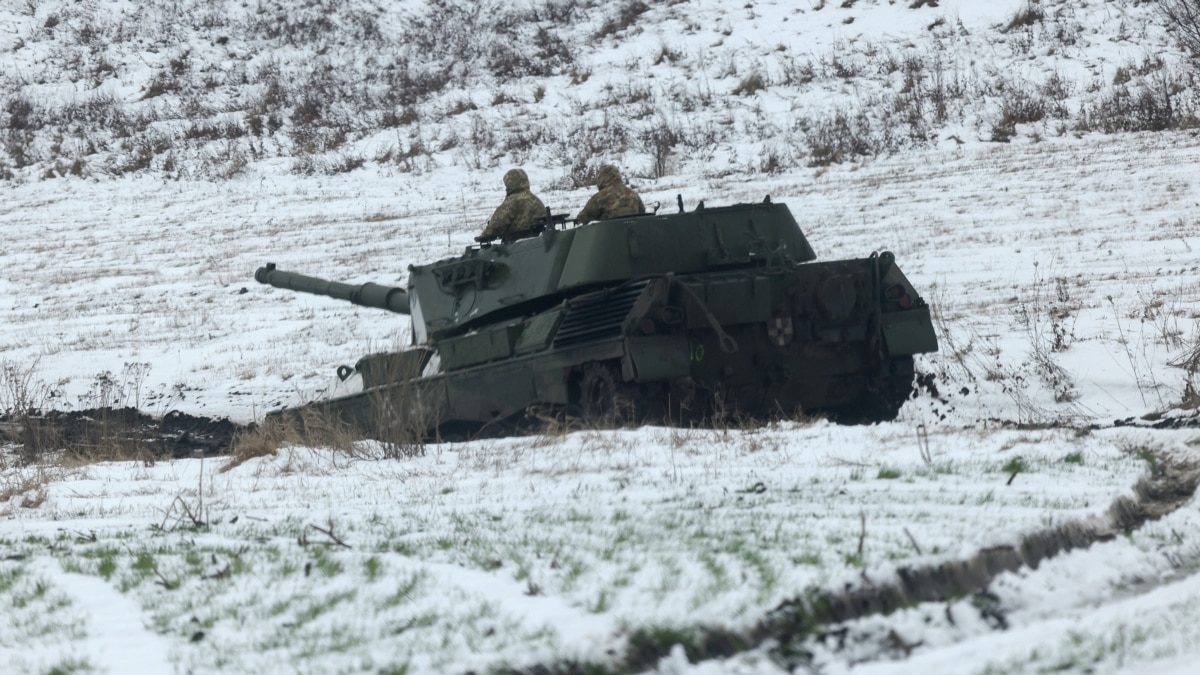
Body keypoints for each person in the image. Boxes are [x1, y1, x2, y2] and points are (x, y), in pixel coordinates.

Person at [478, 168, 546, 243]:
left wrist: (486, 235)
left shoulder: (511, 201)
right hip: (537, 243)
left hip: (515, 245)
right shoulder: (536, 200)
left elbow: (498, 223)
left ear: (510, 183)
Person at [574, 164, 644, 224]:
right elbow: (643, 213)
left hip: (609, 236)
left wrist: (578, 220)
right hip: (633, 235)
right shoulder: (633, 194)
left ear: (602, 178)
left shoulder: (599, 197)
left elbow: (585, 216)